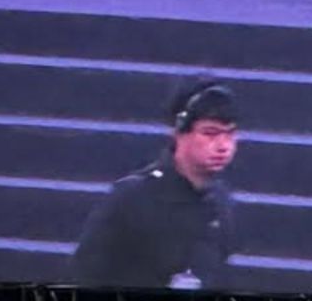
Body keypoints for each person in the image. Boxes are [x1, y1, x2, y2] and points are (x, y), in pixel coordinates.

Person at [71, 77, 237, 290]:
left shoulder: (222, 204)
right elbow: (84, 275)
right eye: (210, 133)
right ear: (179, 132)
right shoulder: (132, 198)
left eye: (230, 134)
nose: (223, 146)